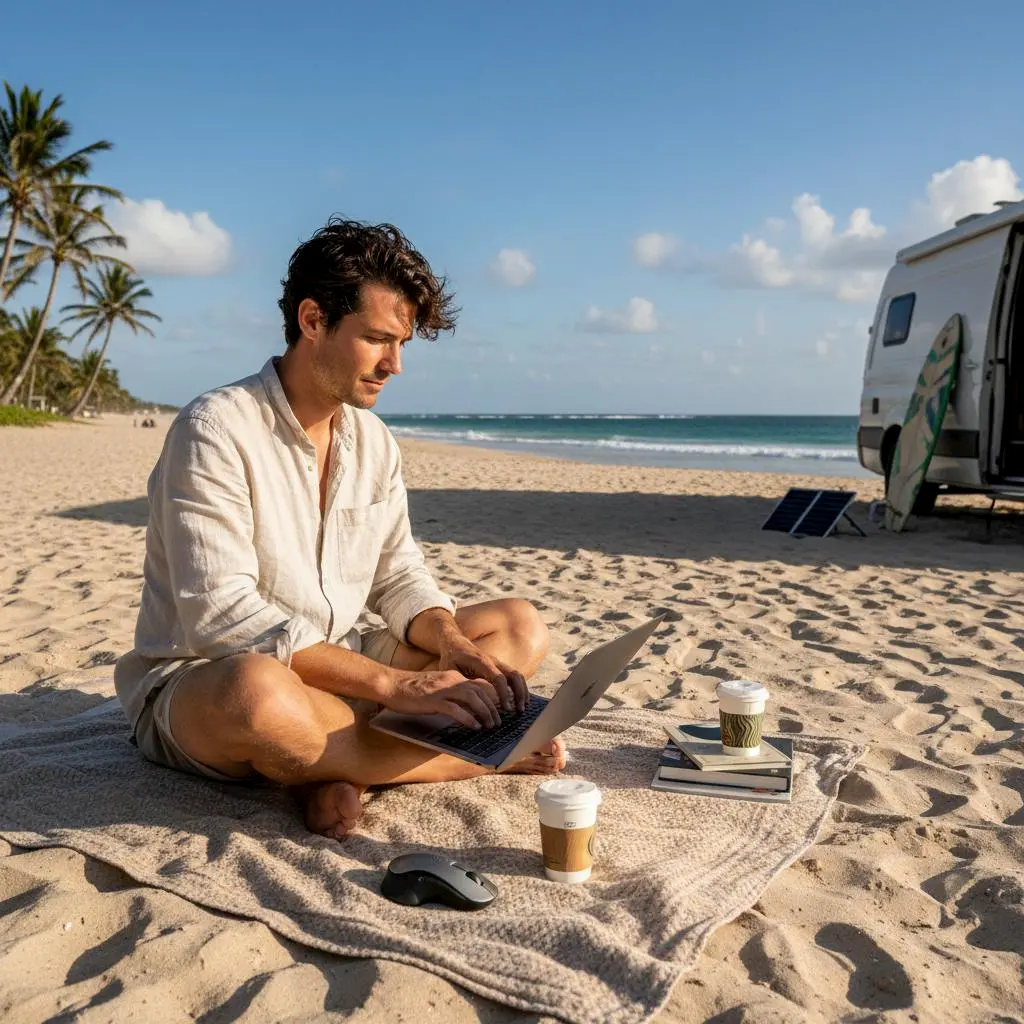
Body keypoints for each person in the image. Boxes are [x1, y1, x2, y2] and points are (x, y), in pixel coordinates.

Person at [114, 218, 566, 839]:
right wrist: (396, 685)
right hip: (210, 681)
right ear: (312, 319)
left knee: (516, 626)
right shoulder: (215, 429)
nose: (395, 364)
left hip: (341, 665)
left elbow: (399, 572)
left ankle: (329, 768)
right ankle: (467, 761)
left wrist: (452, 645)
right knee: (260, 697)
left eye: (402, 344)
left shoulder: (374, 441)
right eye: (378, 339)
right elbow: (221, 619)